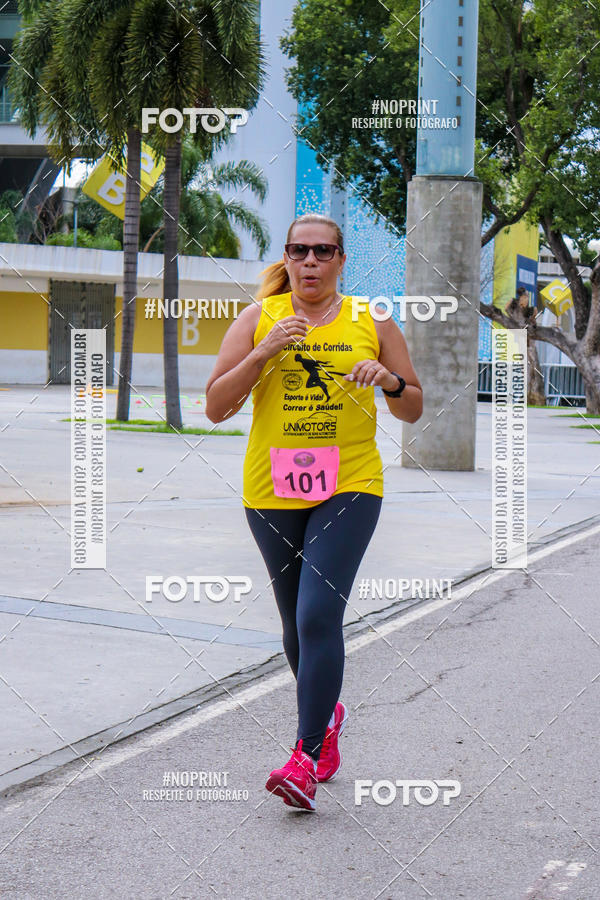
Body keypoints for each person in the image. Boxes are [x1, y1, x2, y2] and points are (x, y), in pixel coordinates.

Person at [205, 213, 423, 812]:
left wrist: (391, 383)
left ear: (340, 260)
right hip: (270, 491)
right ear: (287, 256)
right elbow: (216, 407)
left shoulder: (370, 321)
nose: (310, 262)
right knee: (294, 625)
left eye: (323, 252)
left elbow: (414, 408)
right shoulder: (259, 318)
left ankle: (302, 756)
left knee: (319, 613)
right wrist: (264, 353)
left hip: (348, 485)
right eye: (299, 251)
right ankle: (327, 718)